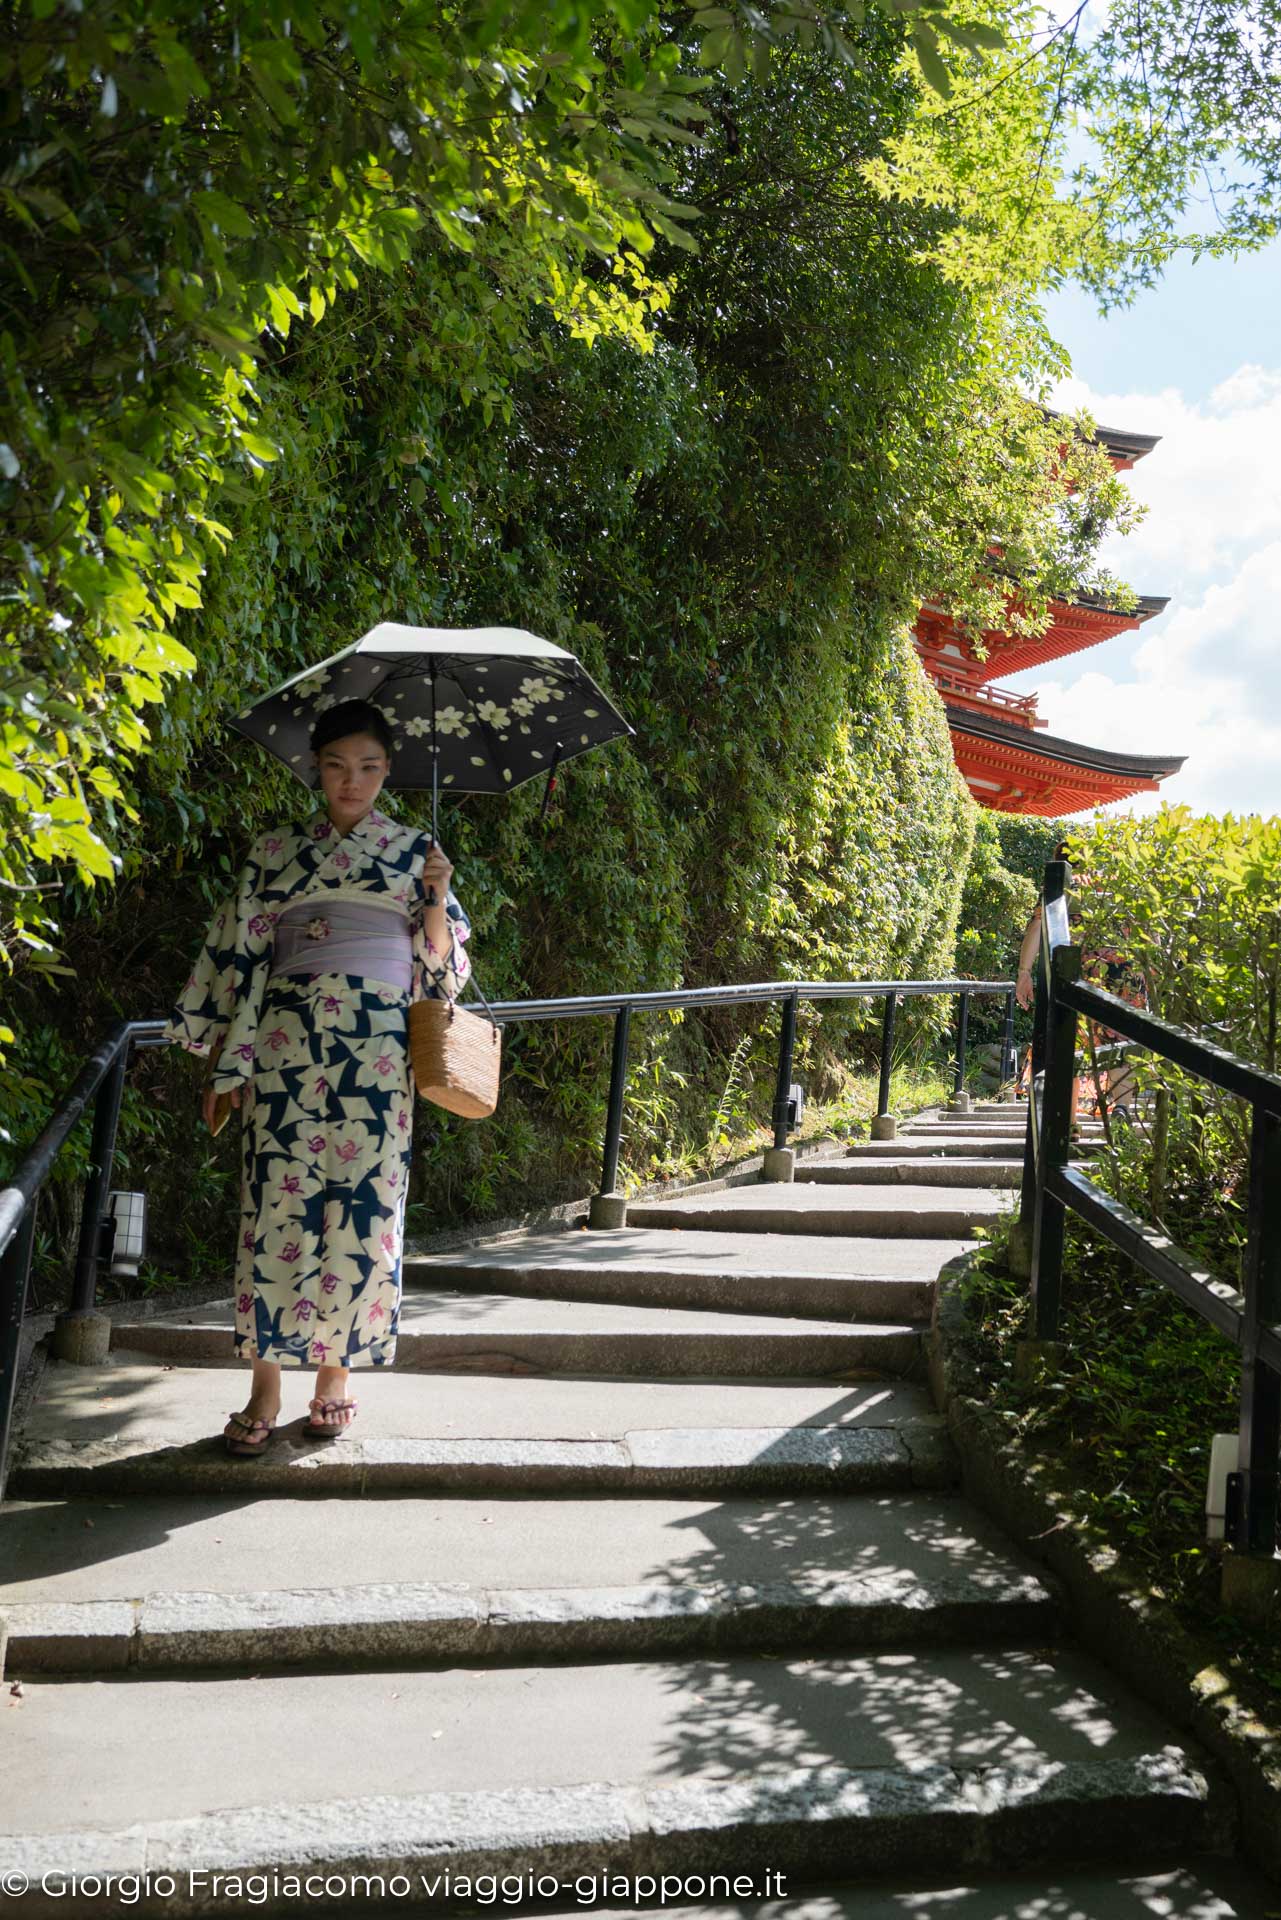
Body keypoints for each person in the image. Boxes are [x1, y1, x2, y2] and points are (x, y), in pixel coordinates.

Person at [164, 698, 471, 1455]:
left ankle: (335, 1377)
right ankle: (264, 1384)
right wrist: (219, 1058)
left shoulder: (414, 853)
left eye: (368, 767)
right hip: (284, 1050)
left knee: (364, 1214)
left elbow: (444, 976)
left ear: (387, 771)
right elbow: (236, 953)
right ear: (316, 768)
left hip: (377, 1056)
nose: (351, 781)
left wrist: (434, 899)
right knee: (273, 1210)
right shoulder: (273, 853)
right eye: (336, 765)